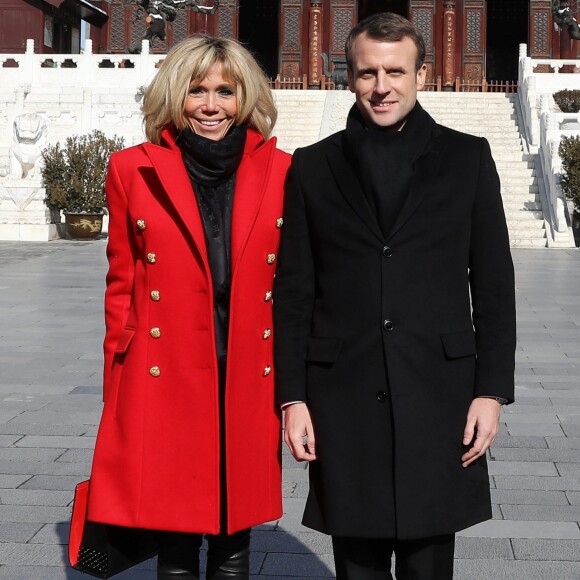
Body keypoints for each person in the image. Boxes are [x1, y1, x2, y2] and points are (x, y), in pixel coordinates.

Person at [273, 12, 516, 580]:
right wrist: (293, 397)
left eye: (395, 72)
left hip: (439, 392)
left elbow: (495, 284)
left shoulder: (468, 158)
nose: (381, 87)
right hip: (343, 393)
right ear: (349, 77)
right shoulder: (313, 166)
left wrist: (491, 392)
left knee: (429, 561)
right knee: (355, 564)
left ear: (422, 75)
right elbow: (293, 291)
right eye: (367, 73)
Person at [87, 35, 290, 580]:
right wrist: (117, 393)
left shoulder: (282, 171)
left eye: (226, 91)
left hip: (246, 373)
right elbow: (121, 290)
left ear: (245, 97)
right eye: (197, 90)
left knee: (233, 539)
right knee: (174, 538)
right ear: (174, 95)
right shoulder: (133, 170)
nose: (211, 105)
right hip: (165, 373)